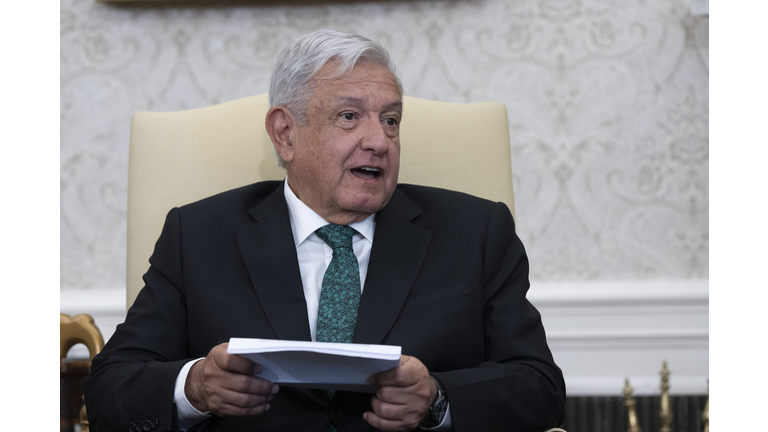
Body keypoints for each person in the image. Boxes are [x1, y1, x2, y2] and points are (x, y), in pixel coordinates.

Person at [84, 29, 566, 432]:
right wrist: (195, 387)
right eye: (349, 116)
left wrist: (437, 399)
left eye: (391, 120)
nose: (379, 141)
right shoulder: (198, 235)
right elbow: (109, 388)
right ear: (284, 134)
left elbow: (539, 386)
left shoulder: (475, 231)